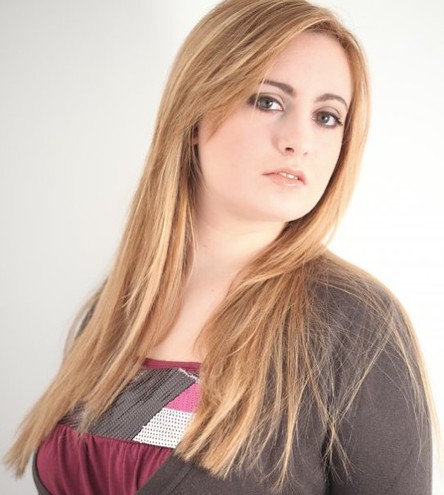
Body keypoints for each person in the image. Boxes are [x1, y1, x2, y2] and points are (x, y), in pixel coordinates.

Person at [4, 0, 434, 493]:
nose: (299, 140)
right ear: (195, 113)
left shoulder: (354, 324)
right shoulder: (113, 310)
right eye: (268, 101)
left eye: (327, 116)